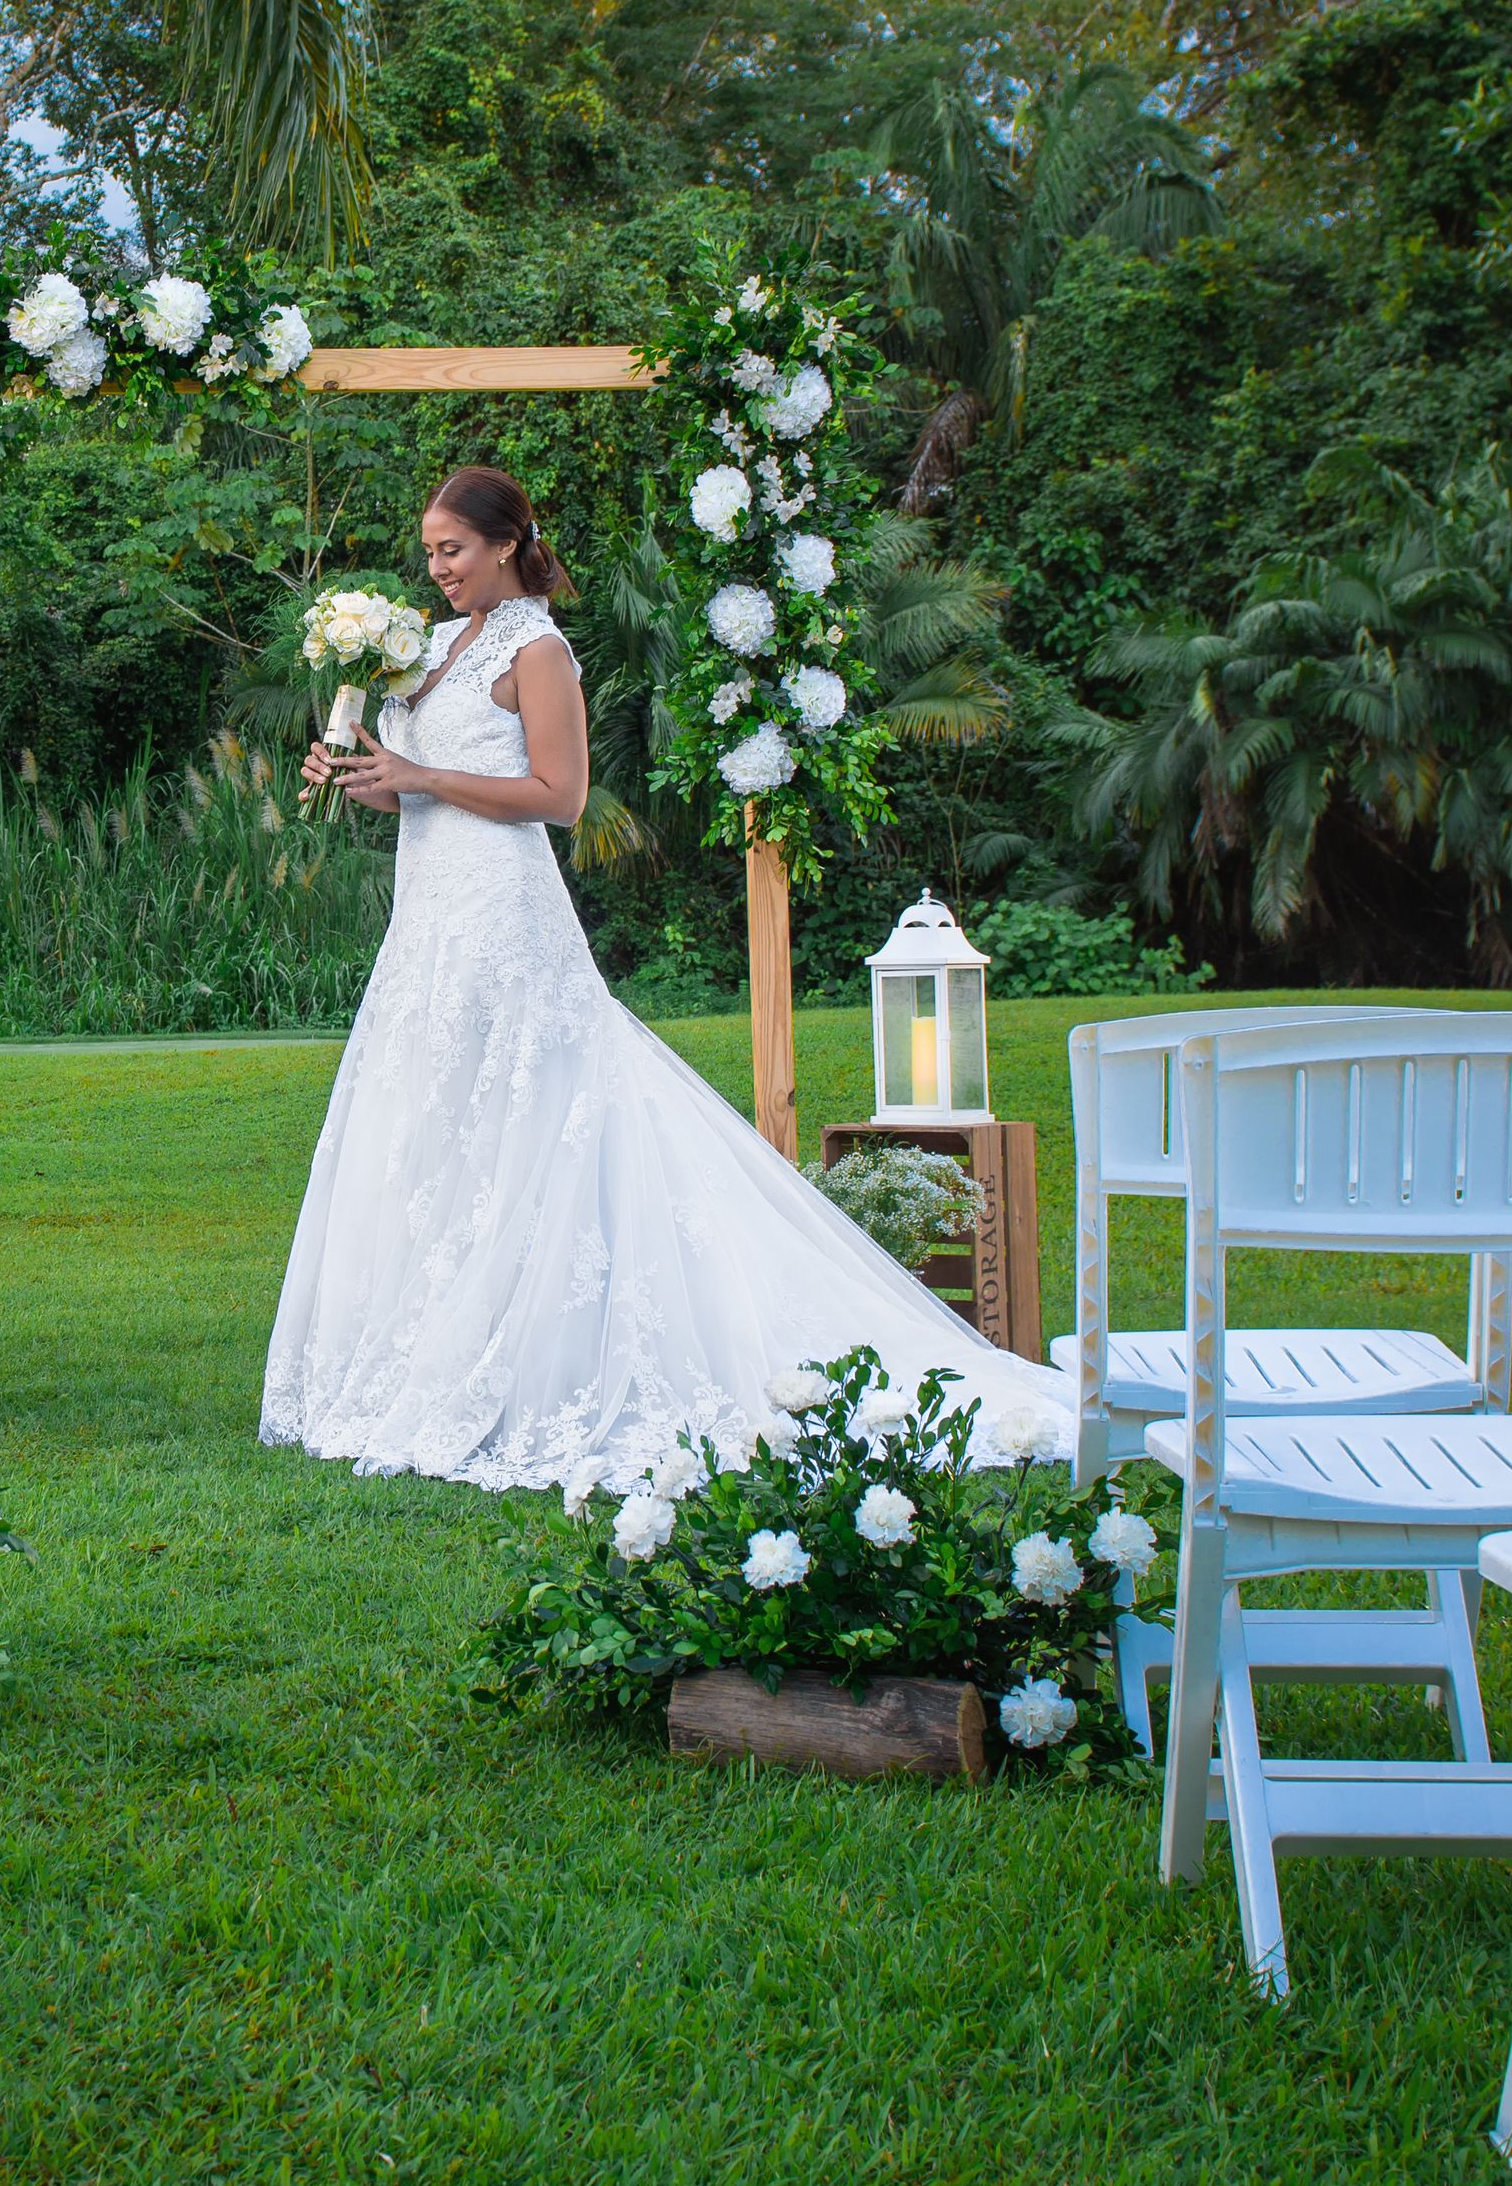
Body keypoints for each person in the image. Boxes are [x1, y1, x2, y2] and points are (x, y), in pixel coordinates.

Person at [260, 464, 1070, 1492]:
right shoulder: (439, 649)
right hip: (428, 921)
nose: (437, 568)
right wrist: (372, 779)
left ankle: (545, 1355)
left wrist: (420, 776)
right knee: (441, 1119)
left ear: (507, 544)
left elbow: (559, 795)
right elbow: (425, 794)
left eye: (452, 550)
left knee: (535, 1118)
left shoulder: (538, 647)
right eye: (429, 552)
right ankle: (436, 1341)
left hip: (507, 917)